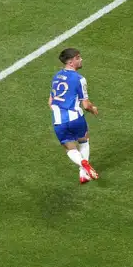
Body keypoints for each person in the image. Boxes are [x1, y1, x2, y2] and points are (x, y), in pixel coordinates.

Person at [49, 47, 100, 183]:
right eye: (78, 58)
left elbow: (50, 102)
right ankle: (83, 171)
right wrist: (93, 109)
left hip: (58, 121)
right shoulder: (79, 79)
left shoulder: (56, 77)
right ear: (71, 62)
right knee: (84, 140)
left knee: (69, 148)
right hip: (75, 118)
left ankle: (82, 164)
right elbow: (86, 105)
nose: (81, 59)